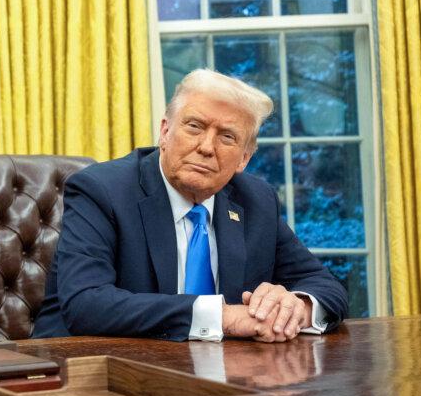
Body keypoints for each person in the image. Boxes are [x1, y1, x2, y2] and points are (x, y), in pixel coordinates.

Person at [34, 69, 347, 342]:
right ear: (165, 132)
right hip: (87, 376)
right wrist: (224, 317)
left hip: (220, 378)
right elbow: (87, 304)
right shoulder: (101, 190)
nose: (206, 147)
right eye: (195, 126)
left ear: (244, 159)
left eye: (226, 137)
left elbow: (326, 287)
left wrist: (295, 308)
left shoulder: (255, 201)